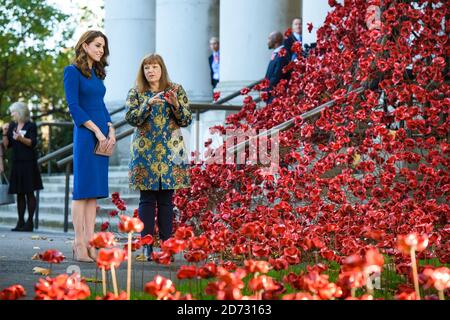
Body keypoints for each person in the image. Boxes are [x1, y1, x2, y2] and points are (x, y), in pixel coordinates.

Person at [125, 54, 192, 261]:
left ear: (161, 68)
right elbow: (131, 118)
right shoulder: (137, 91)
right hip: (145, 151)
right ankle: (146, 245)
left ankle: (167, 245)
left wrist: (175, 105)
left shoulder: (175, 89)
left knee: (166, 200)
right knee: (147, 199)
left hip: (170, 151)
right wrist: (147, 105)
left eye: (154, 67)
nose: (150, 71)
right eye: (146, 68)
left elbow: (186, 118)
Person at [63, 30, 116, 263]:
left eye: (103, 47)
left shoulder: (97, 74)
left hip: (103, 134)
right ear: (84, 46)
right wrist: (95, 129)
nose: (100, 50)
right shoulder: (71, 72)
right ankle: (78, 242)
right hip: (86, 135)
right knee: (82, 191)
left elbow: (100, 104)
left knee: (93, 193)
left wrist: (111, 128)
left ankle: (91, 242)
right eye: (96, 45)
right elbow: (74, 106)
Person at [1, 102, 43, 232]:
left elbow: (32, 142)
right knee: (19, 194)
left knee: (29, 193)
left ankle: (29, 222)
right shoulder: (12, 126)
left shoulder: (31, 125)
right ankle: (20, 222)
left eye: (13, 111)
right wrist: (4, 132)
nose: (12, 114)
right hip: (17, 163)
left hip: (29, 163)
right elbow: (7, 145)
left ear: (20, 112)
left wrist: (20, 138)